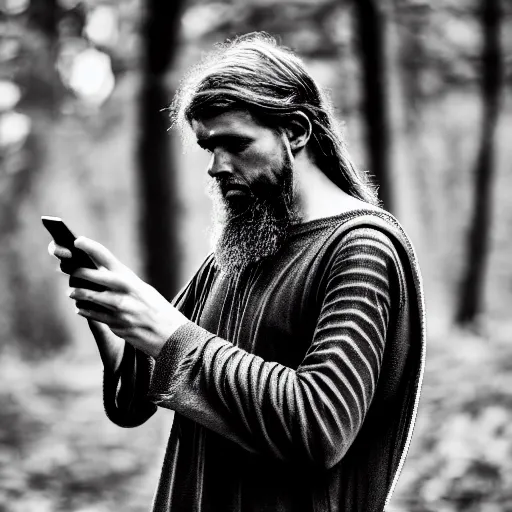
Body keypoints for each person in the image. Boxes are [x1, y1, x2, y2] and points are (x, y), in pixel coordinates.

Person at [49, 33, 426, 512]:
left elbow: (319, 429)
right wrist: (113, 319)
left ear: (296, 130)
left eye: (234, 143)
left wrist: (171, 334)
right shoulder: (242, 247)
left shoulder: (360, 250)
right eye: (209, 147)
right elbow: (139, 398)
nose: (216, 166)